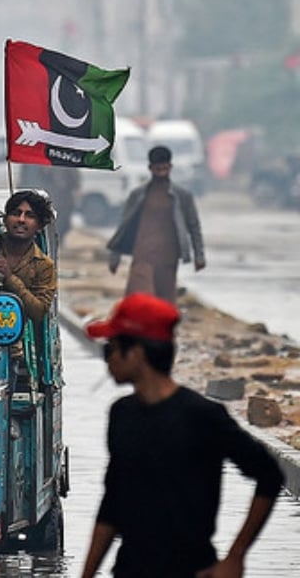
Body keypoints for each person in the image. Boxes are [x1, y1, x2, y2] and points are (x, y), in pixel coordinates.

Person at [81, 292, 283, 578]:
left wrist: (235, 557)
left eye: (110, 349)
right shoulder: (122, 415)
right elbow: (112, 503)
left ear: (136, 353)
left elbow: (270, 475)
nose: (108, 360)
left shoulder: (202, 416)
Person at [106, 145, 205, 305]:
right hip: (142, 255)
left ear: (170, 167)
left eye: (165, 168)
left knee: (164, 302)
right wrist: (114, 257)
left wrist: (199, 256)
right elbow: (123, 226)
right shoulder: (138, 195)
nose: (161, 172)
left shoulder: (182, 196)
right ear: (150, 168)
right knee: (140, 299)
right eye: (157, 169)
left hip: (168, 258)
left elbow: (194, 227)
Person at [0, 189, 57, 325]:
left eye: (30, 215)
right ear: (5, 220)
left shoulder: (44, 266)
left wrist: (10, 279)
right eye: (16, 213)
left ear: (39, 226)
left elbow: (39, 311)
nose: (21, 220)